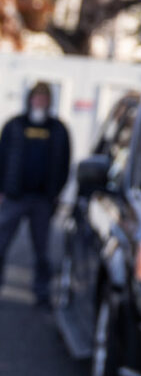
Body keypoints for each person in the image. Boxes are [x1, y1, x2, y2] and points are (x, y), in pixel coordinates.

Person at [0, 82, 71, 307]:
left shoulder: (58, 129)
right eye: (36, 97)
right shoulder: (14, 125)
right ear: (30, 99)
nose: (39, 101)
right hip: (14, 197)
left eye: (44, 98)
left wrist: (56, 193)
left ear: (50, 102)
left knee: (42, 251)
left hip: (42, 200)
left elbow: (64, 164)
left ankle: (41, 293)